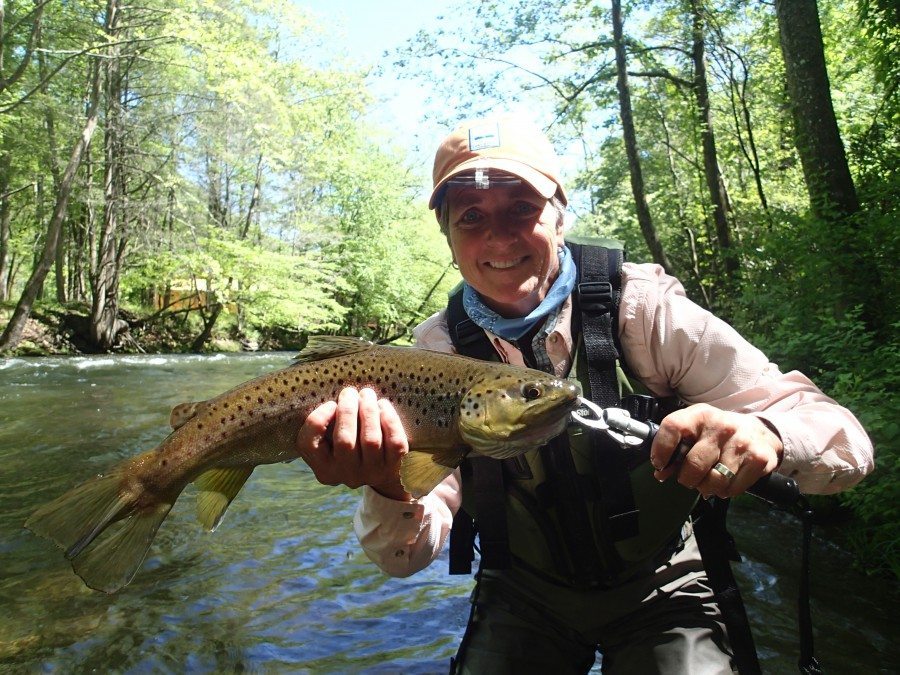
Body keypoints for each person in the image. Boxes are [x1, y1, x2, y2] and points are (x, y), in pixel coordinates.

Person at [295, 114, 874, 674]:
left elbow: (844, 442)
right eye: (470, 216)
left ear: (559, 216)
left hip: (664, 584)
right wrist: (388, 485)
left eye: (522, 208)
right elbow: (403, 558)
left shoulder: (646, 313)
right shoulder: (431, 356)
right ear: (447, 237)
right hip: (522, 594)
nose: (498, 235)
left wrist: (766, 434)